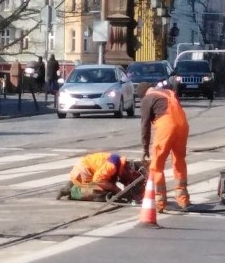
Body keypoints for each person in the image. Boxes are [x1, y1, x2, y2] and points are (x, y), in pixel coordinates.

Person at [140, 79, 190, 212]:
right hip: (183, 124)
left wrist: (145, 149)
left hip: (167, 125)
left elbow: (145, 126)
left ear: (143, 93)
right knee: (179, 161)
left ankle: (159, 202)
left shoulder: (147, 98)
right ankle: (183, 199)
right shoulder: (168, 92)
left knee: (156, 166)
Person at [56, 152, 141, 201]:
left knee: (106, 186)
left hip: (84, 171)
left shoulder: (118, 163)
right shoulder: (112, 166)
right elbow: (98, 180)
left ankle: (73, 186)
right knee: (99, 195)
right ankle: (73, 192)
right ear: (126, 169)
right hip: (82, 173)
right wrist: (114, 188)